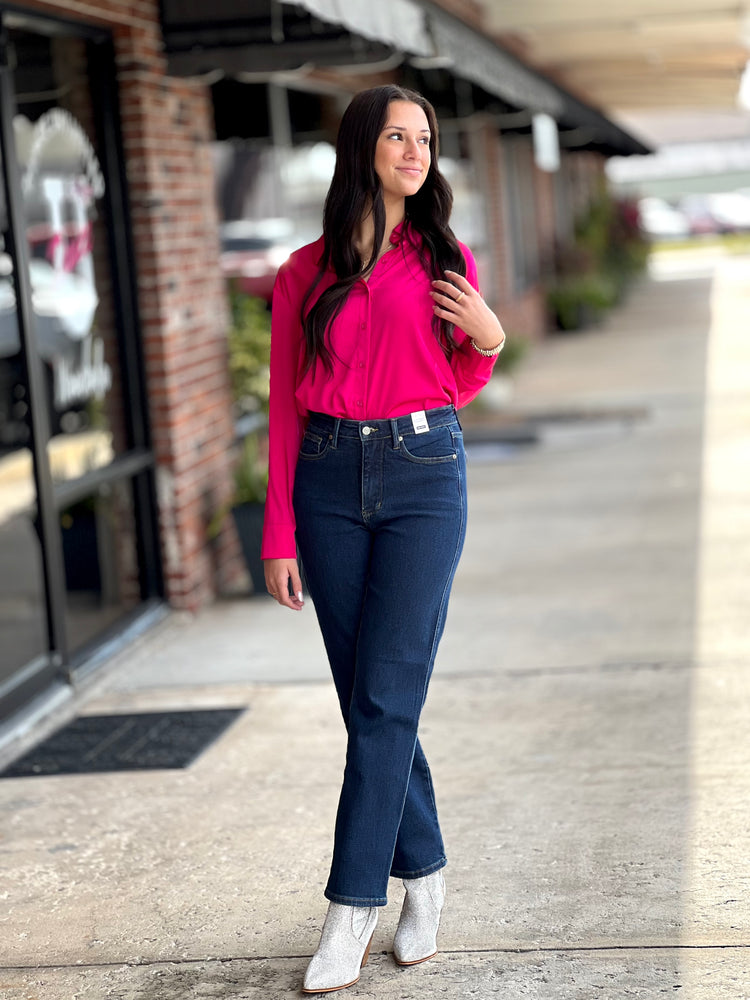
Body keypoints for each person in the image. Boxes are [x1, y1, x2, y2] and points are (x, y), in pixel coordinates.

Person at [262, 84, 505, 994]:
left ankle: (351, 906)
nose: (415, 150)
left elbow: (453, 387)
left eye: (426, 137)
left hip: (421, 478)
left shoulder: (443, 257)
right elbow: (284, 410)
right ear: (363, 146)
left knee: (386, 694)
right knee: (369, 698)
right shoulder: (301, 275)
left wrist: (488, 340)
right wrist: (278, 533)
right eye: (398, 135)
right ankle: (428, 877)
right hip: (324, 483)